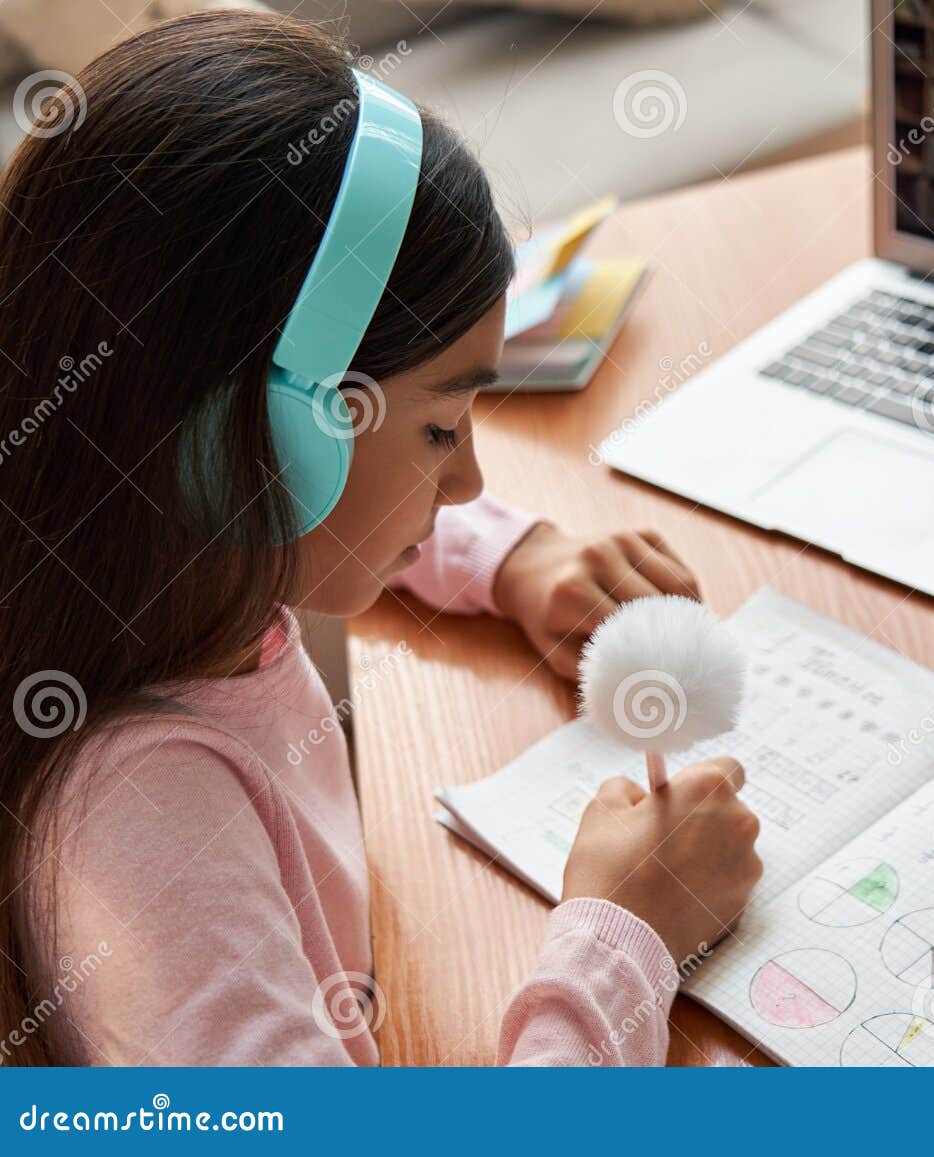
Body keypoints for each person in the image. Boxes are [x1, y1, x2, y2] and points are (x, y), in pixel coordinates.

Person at [0, 11, 762, 1066]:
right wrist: (626, 933)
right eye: (443, 429)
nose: (469, 479)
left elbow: (347, 512)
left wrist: (512, 557)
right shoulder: (149, 831)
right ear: (257, 441)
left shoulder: (169, 565)